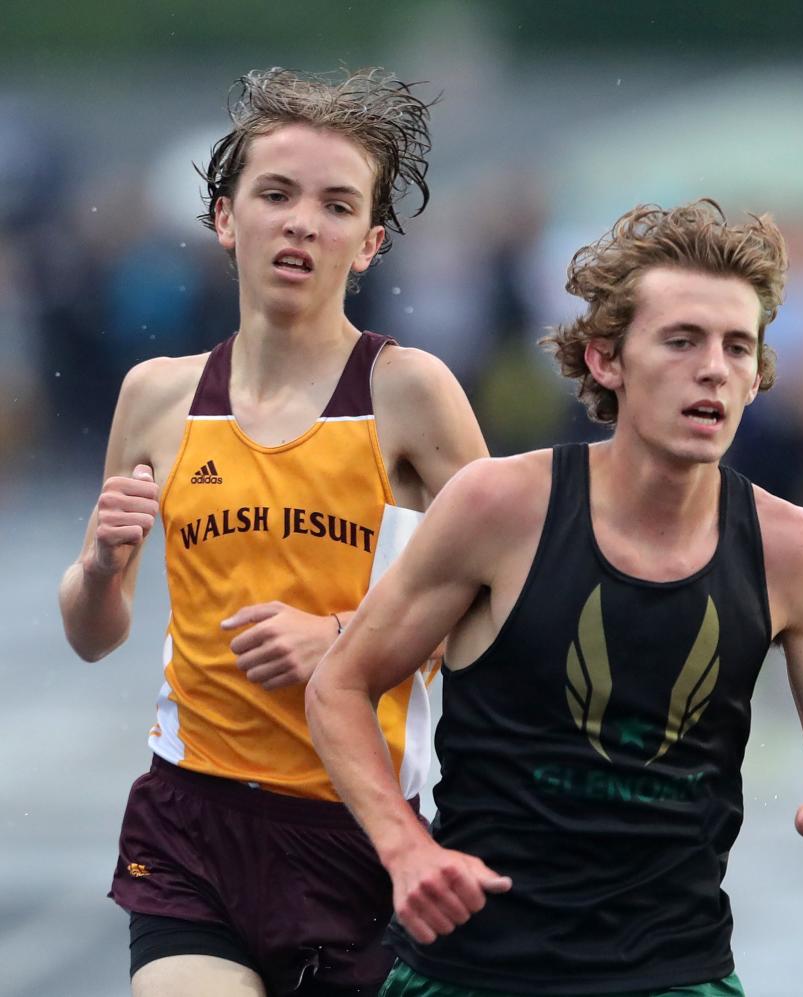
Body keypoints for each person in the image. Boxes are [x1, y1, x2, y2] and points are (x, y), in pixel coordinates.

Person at [306, 199, 803, 997]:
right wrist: (405, 849)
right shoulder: (498, 507)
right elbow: (339, 684)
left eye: (736, 347)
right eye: (681, 340)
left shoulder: (794, 550)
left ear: (757, 376)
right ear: (606, 360)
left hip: (676, 975)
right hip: (472, 971)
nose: (712, 367)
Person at [58, 67, 488, 997]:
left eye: (336, 206)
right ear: (224, 217)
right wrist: (99, 564)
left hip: (358, 831)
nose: (301, 222)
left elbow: (510, 604)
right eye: (277, 194)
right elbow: (95, 633)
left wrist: (341, 643)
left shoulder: (409, 394)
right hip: (191, 819)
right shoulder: (158, 396)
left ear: (370, 243)